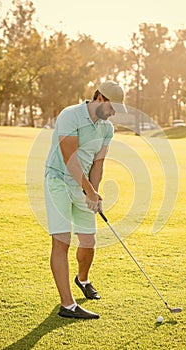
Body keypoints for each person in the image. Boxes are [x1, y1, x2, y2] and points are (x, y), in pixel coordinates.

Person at [44, 81, 127, 319]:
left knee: (89, 243)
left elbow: (98, 163)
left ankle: (82, 279)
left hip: (83, 186)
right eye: (112, 107)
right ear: (99, 98)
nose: (114, 113)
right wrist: (88, 190)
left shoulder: (106, 129)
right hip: (58, 181)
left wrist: (95, 194)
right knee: (62, 241)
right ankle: (67, 306)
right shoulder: (70, 116)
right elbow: (69, 158)